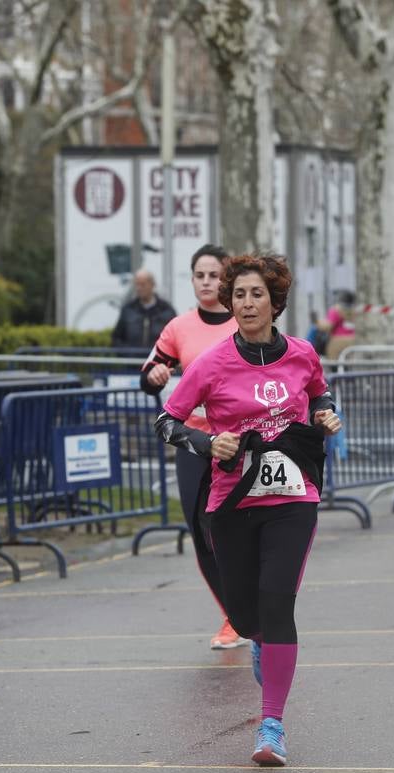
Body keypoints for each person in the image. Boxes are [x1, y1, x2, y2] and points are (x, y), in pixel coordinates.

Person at [155, 253, 341, 767]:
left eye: (256, 293)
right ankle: (256, 636)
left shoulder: (302, 354)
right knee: (243, 612)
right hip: (232, 501)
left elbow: (322, 395)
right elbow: (167, 423)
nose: (246, 302)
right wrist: (205, 443)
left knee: (278, 603)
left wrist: (327, 416)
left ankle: (272, 726)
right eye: (238, 294)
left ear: (275, 301)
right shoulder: (211, 364)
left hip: (292, 498)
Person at [139, 245, 243, 650]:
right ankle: (233, 615)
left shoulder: (244, 322)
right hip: (194, 442)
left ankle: (252, 604)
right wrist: (156, 374)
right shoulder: (178, 328)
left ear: (227, 279)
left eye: (214, 275)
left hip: (240, 441)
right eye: (199, 275)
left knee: (236, 530)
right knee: (202, 533)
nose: (206, 282)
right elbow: (148, 373)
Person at [112, 269, 177, 348]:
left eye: (143, 284)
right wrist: (127, 354)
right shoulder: (128, 310)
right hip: (131, 360)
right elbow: (117, 338)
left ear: (152, 285)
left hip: (158, 360)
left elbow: (176, 338)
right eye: (137, 285)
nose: (139, 288)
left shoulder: (166, 310)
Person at [318, 289, 358, 360]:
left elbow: (328, 326)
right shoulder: (355, 311)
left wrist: (317, 323)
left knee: (335, 364)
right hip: (354, 340)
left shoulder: (336, 310)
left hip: (337, 341)